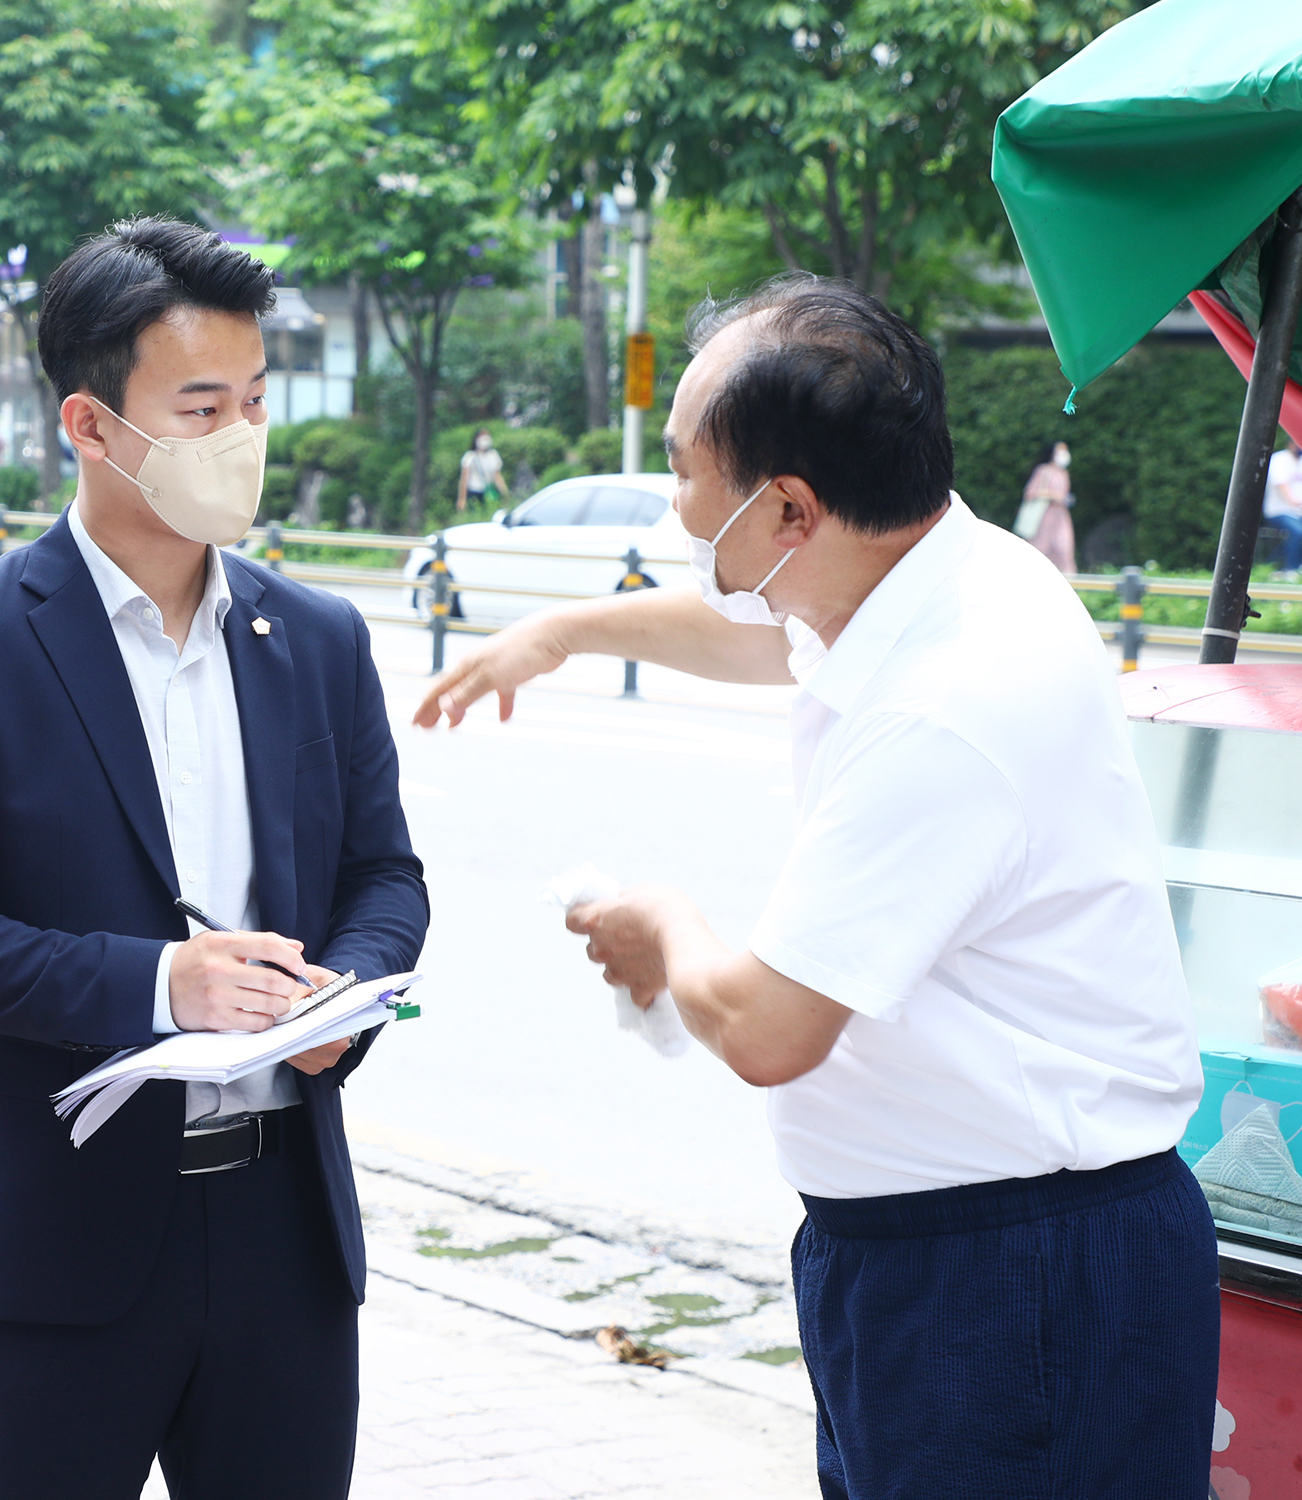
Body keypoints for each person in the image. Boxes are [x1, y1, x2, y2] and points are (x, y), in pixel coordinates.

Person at [415, 275, 1213, 1499]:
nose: (676, 502)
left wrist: (662, 922)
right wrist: (568, 631)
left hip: (1015, 1280)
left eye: (685, 472)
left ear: (788, 506)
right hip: (954, 1249)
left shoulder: (950, 701)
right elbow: (753, 628)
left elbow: (771, 1029)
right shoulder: (932, 569)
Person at [0, 217, 429, 1499]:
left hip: (282, 1232)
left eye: (256, 402)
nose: (241, 436)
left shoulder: (319, 637)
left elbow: (387, 876)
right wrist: (161, 984)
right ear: (92, 426)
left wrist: (348, 991)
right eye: (202, 405)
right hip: (53, 1244)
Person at [1018, 439, 1077, 573]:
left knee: (1064, 548)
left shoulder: (1064, 474)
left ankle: (1070, 582)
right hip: (1043, 516)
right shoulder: (1043, 471)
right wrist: (1052, 495)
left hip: (1060, 516)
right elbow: (1030, 492)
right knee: (1040, 548)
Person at [1264, 431, 1302, 579]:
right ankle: (1289, 569)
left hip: (1298, 512)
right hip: (1279, 511)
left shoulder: (1299, 462)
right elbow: (1283, 488)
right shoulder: (1279, 460)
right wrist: (1296, 502)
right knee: (1298, 532)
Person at [457, 427, 503, 514]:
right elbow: (464, 480)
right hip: (474, 492)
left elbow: (497, 476)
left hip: (489, 491)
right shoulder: (470, 456)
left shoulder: (493, 455)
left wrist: (504, 492)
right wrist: (462, 499)